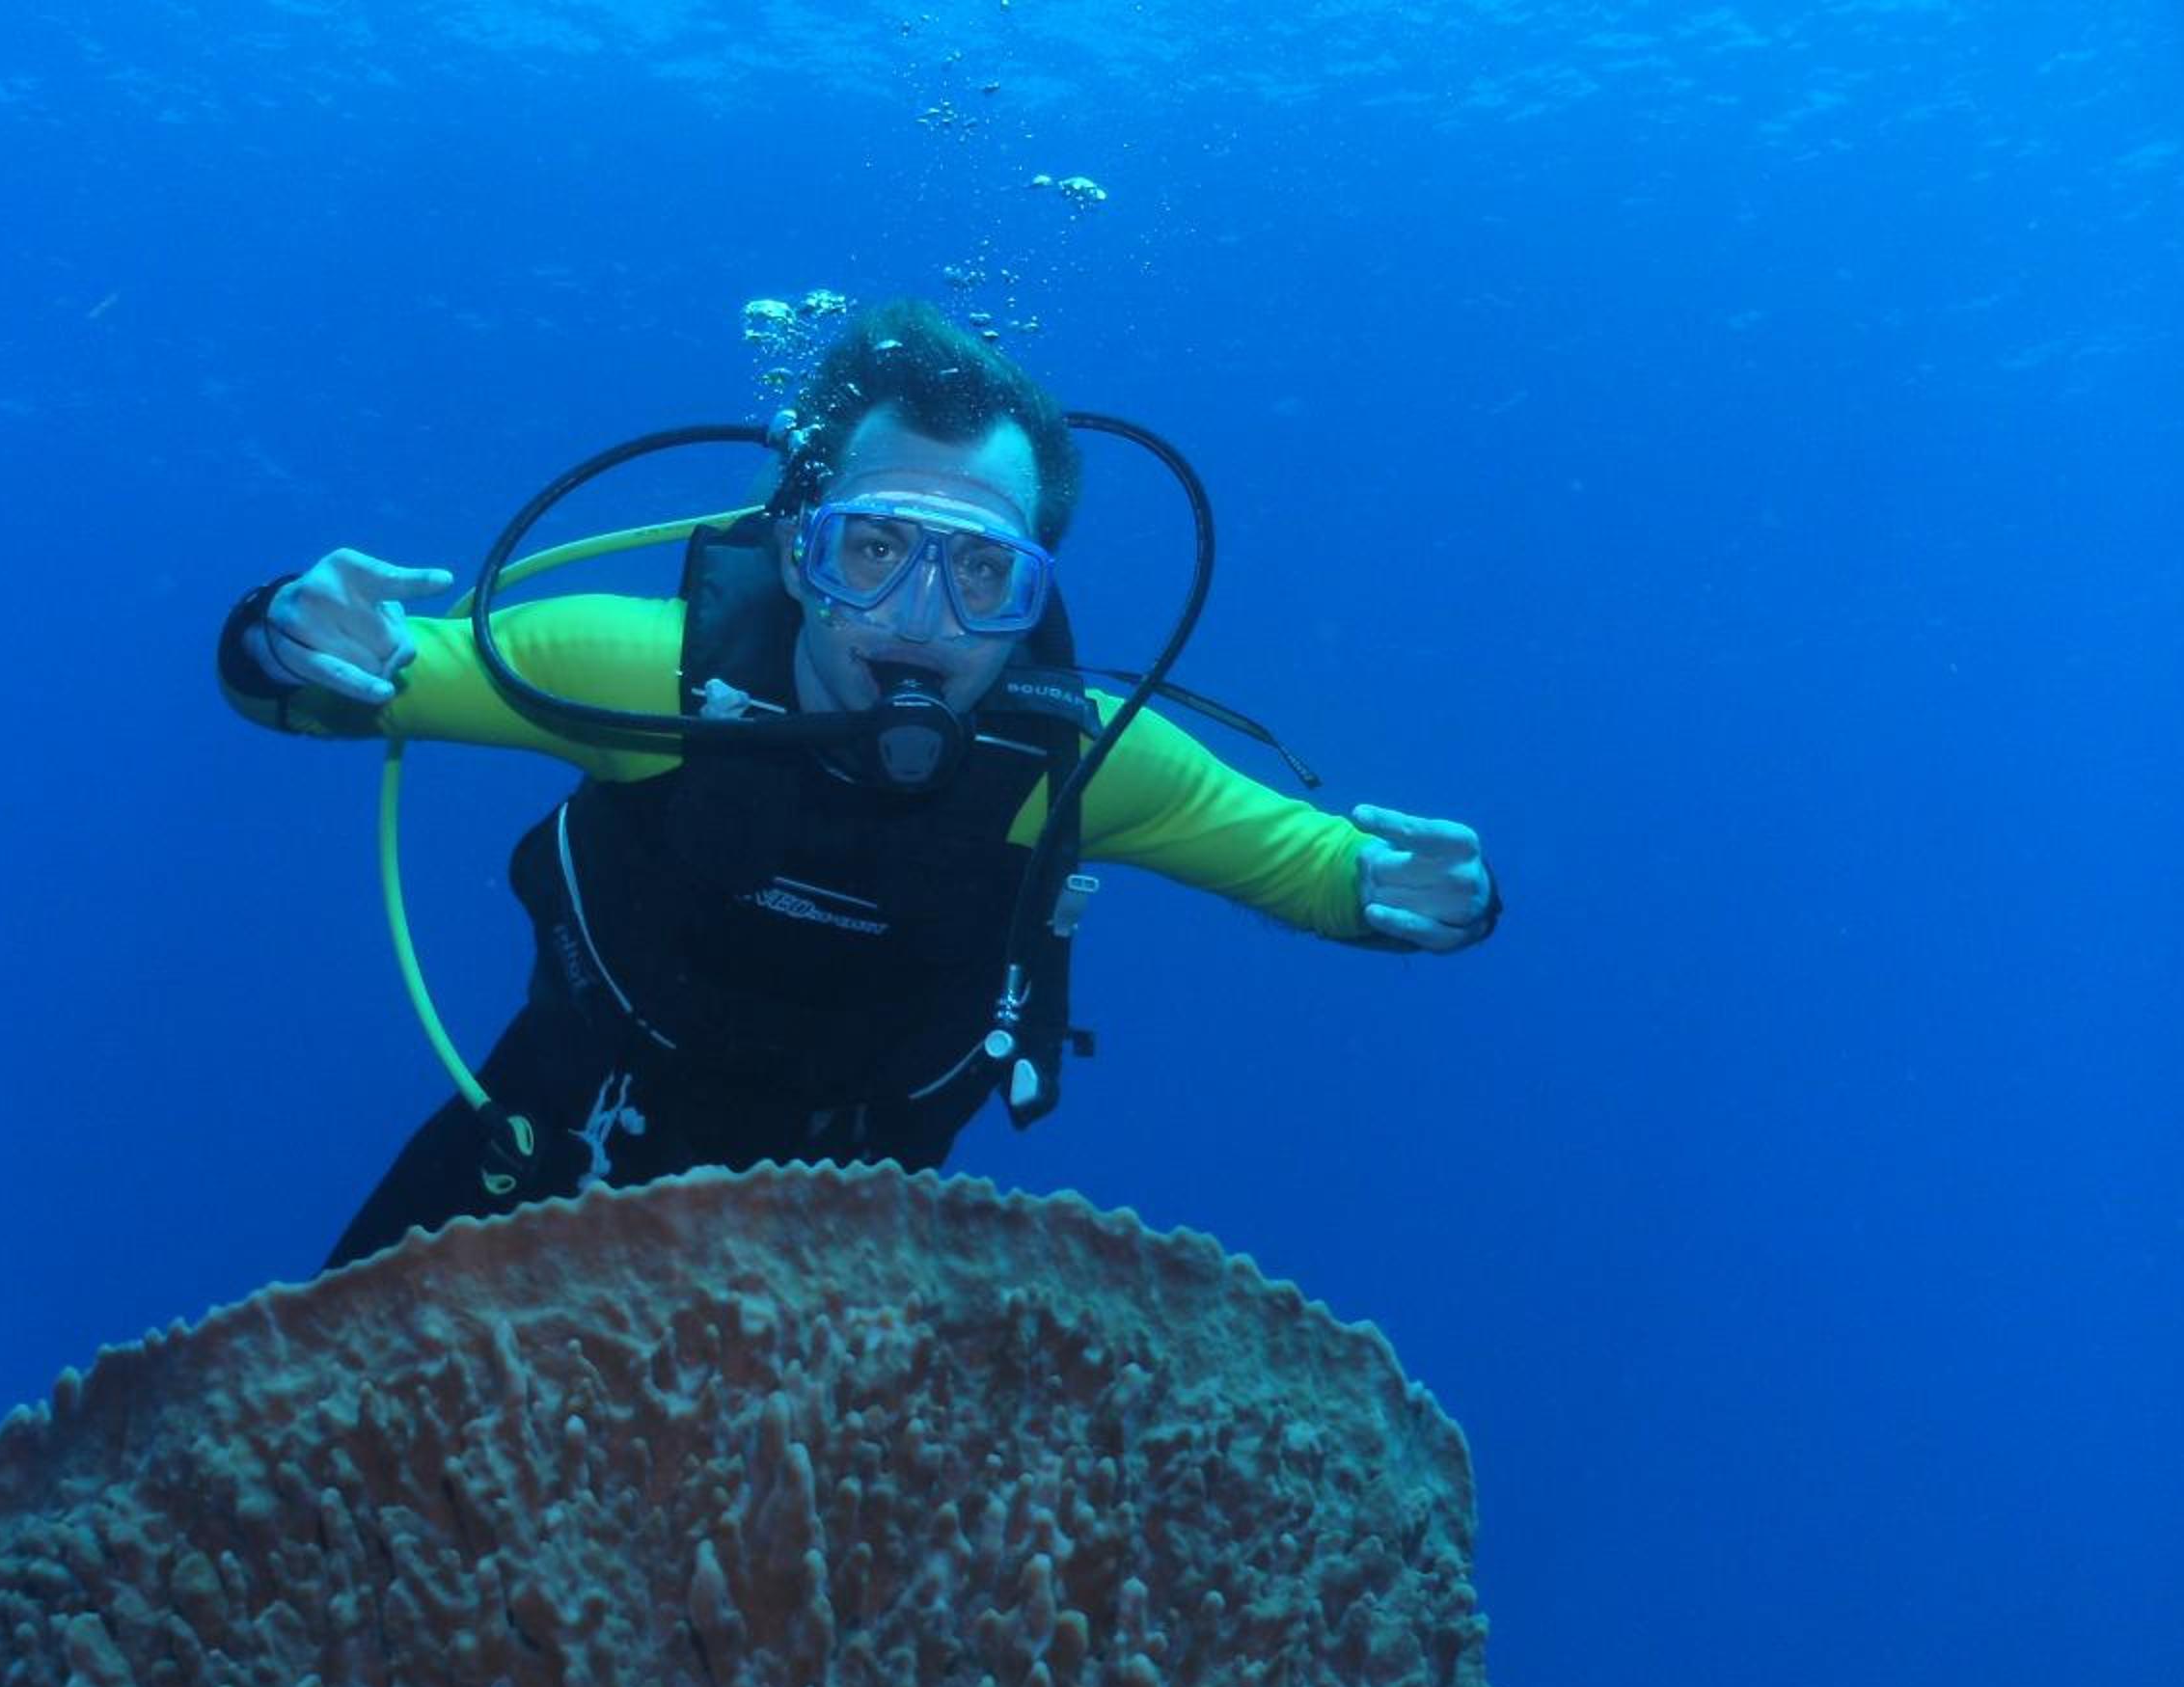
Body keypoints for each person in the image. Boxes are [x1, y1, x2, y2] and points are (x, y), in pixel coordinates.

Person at [214, 300, 1498, 1270]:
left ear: (1035, 594)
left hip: (850, 1228)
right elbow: (346, 684)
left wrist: (1435, 896)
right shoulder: (653, 679)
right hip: (551, 1134)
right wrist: (283, 632)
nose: (922, 618)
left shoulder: (1074, 762)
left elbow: (1331, 874)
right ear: (796, 548)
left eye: (982, 572)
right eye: (873, 548)